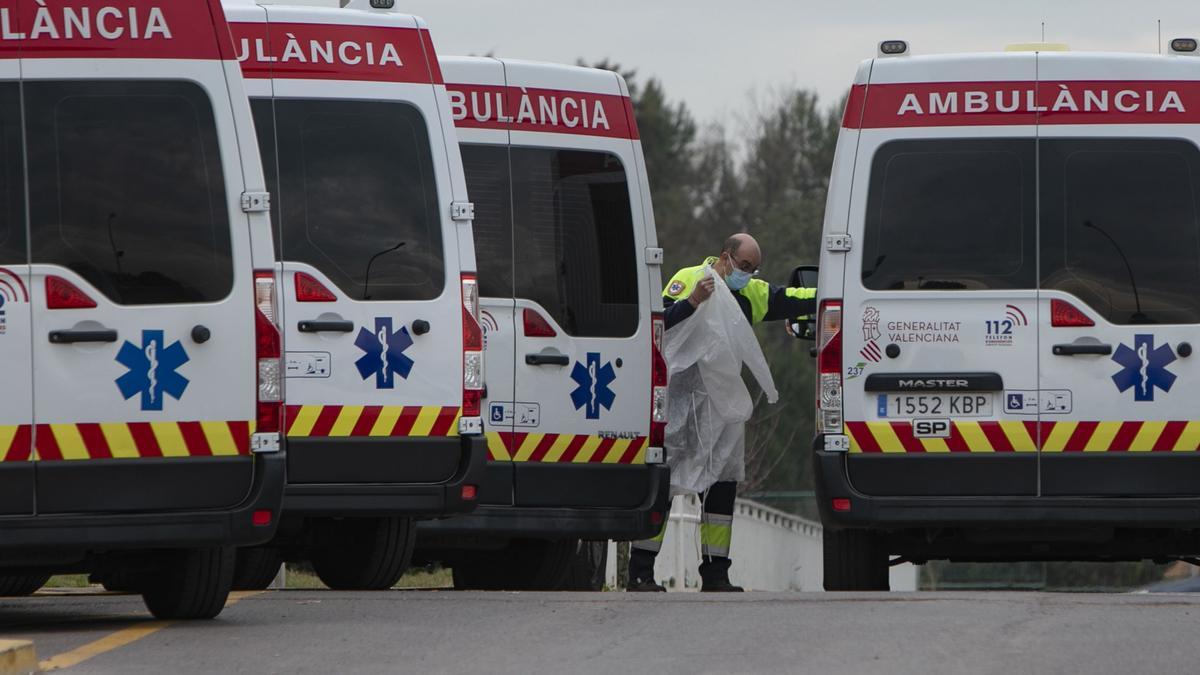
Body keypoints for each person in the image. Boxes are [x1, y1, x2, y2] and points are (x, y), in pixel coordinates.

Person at [628, 233, 816, 592]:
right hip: (681, 406)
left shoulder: (752, 294)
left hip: (721, 411)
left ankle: (715, 575)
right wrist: (693, 302)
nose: (748, 274)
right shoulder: (688, 279)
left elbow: (792, 299)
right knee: (663, 486)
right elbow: (659, 324)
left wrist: (837, 292)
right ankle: (640, 572)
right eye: (744, 266)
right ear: (724, 257)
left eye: (754, 269)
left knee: (721, 491)